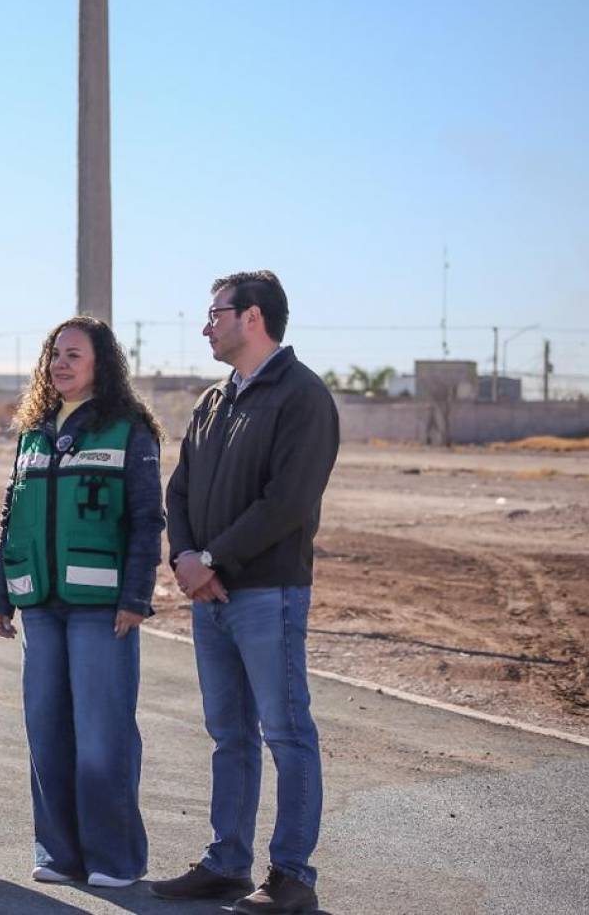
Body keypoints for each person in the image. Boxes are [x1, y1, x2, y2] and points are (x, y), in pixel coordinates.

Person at [150, 271, 339, 915]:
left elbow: (287, 501)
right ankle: (227, 863)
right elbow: (179, 489)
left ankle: (291, 877)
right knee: (229, 734)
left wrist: (212, 558)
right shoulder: (213, 400)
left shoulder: (302, 396)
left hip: (268, 592)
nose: (206, 326)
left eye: (214, 314)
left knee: (286, 733)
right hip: (211, 597)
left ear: (251, 317)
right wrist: (184, 557)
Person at [0, 316, 166, 889]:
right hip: (39, 602)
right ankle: (59, 854)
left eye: (73, 355)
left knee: (101, 733)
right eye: (54, 355)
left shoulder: (129, 429)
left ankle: (114, 860)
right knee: (47, 730)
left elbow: (146, 519)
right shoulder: (33, 430)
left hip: (102, 606)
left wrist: (137, 594)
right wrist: (0, 587)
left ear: (101, 364)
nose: (60, 364)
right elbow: (13, 515)